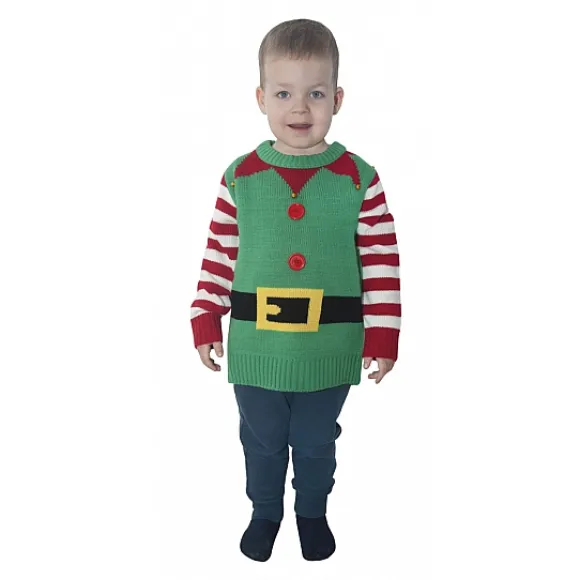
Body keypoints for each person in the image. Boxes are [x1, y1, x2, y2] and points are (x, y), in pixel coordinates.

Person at [189, 18, 402, 562]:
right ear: (261, 98)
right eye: (284, 93)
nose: (300, 108)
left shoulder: (359, 178)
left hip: (329, 349)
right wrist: (205, 317)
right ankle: (265, 511)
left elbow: (381, 262)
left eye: (316, 94)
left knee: (315, 442)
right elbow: (219, 253)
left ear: (338, 98)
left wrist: (383, 337)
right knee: (260, 441)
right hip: (256, 347)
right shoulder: (240, 176)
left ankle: (312, 511)